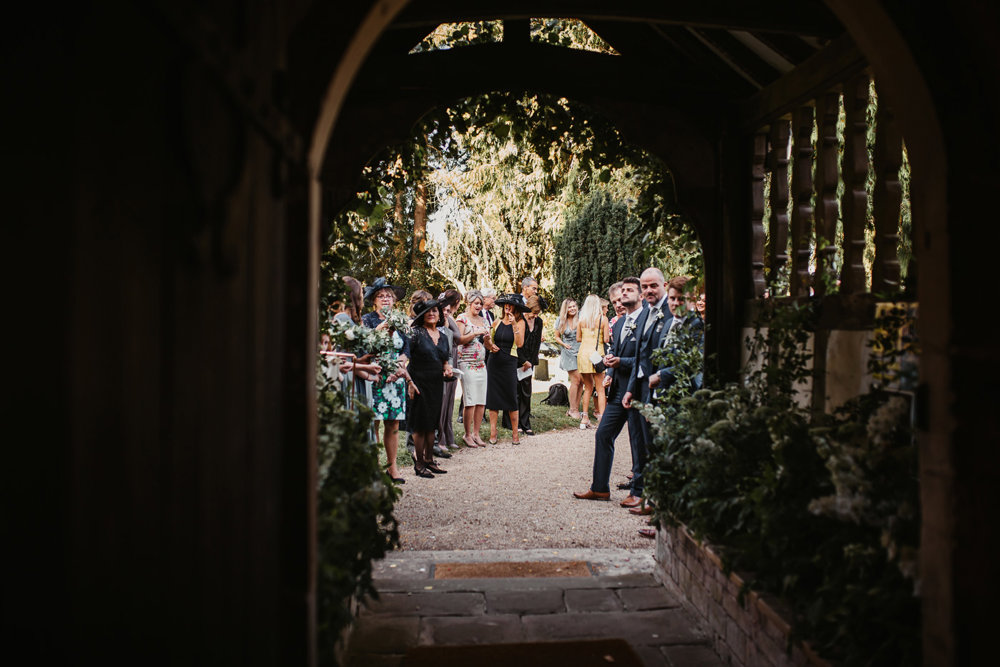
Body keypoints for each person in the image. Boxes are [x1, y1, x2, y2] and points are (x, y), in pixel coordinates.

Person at [573, 276, 646, 501]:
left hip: (637, 391)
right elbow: (615, 350)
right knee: (603, 434)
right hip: (617, 391)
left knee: (638, 441)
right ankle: (600, 487)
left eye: (628, 292)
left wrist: (620, 363)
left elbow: (647, 359)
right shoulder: (619, 322)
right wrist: (611, 371)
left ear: (641, 295)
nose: (621, 299)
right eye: (618, 295)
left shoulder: (647, 319)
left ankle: (639, 492)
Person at [621, 267, 671, 509]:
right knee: (638, 441)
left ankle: (655, 498)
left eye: (654, 286)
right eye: (646, 287)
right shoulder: (645, 313)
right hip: (639, 385)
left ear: (664, 285)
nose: (649, 290)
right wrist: (630, 388)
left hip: (657, 385)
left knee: (654, 443)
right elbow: (640, 353)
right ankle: (639, 492)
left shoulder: (670, 312)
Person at [361, 277, 410, 484]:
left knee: (393, 424)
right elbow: (364, 349)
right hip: (375, 375)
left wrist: (401, 365)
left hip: (396, 379)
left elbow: (406, 347)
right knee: (374, 423)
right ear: (374, 300)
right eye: (381, 296)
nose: (386, 299)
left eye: (389, 296)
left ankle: (393, 467)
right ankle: (373, 467)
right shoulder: (367, 320)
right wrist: (379, 329)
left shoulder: (401, 319)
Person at [405, 298, 454, 478]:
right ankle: (418, 464)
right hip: (418, 382)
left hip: (435, 383)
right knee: (420, 424)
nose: (432, 314)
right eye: (428, 311)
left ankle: (429, 460)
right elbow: (404, 358)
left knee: (432, 423)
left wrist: (447, 369)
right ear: (422, 315)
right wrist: (409, 382)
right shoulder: (415, 333)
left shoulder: (442, 335)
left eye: (435, 311)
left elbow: (444, 360)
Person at [648, 276, 705, 395]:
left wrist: (660, 376)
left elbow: (692, 364)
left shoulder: (698, 325)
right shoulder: (668, 323)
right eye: (672, 298)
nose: (675, 303)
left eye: (681, 299)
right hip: (661, 395)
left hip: (684, 396)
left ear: (692, 300)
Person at [485, 293, 527, 445]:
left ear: (515, 307)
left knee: (511, 396)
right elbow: (487, 343)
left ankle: (515, 434)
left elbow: (520, 344)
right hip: (494, 361)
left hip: (510, 361)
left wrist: (514, 324)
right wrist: (490, 345)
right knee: (493, 397)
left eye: (511, 304)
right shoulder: (496, 322)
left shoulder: (521, 322)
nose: (507, 307)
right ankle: (493, 432)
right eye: (505, 304)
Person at [503, 294, 543, 435]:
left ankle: (525, 422)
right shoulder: (519, 321)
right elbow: (516, 344)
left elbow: (536, 344)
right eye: (533, 312)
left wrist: (530, 362)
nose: (535, 316)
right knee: (515, 392)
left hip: (529, 362)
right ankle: (511, 422)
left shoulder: (539, 322)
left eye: (537, 313)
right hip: (517, 359)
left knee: (526, 393)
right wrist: (523, 360)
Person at [455, 290, 491, 447]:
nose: (479, 306)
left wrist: (488, 340)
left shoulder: (484, 320)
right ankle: (467, 434)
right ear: (468, 303)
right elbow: (459, 340)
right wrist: (475, 333)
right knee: (470, 400)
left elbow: (487, 345)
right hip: (466, 362)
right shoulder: (461, 319)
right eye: (476, 303)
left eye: (481, 303)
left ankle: (476, 433)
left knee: (481, 400)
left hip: (481, 364)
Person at [576, 294, 610, 429]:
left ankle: (584, 418)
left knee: (588, 387)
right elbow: (606, 339)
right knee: (600, 389)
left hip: (583, 355)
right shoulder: (603, 319)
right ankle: (601, 419)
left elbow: (578, 338)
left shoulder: (581, 320)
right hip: (597, 356)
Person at [435, 289, 463, 455]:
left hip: (452, 359)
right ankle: (440, 439)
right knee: (443, 400)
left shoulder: (448, 319)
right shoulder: (442, 319)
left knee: (450, 400)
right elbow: (458, 336)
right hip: (443, 359)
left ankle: (448, 435)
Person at [554, 298, 582, 419]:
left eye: (574, 306)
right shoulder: (560, 320)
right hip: (568, 352)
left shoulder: (581, 317)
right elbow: (556, 337)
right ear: (566, 309)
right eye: (570, 307)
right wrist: (563, 344)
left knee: (581, 381)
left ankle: (576, 407)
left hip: (581, 352)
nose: (572, 309)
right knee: (575, 380)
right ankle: (572, 409)